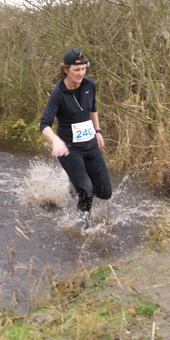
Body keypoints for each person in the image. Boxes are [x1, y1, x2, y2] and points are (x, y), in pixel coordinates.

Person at [39, 48, 112, 228]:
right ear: (66, 70)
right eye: (76, 70)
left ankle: (74, 184)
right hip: (70, 148)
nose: (81, 74)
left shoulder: (90, 85)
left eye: (83, 69)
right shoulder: (58, 93)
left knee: (104, 192)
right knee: (87, 191)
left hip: (90, 144)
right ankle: (83, 227)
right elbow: (44, 125)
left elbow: (93, 109)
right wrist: (56, 141)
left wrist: (98, 131)